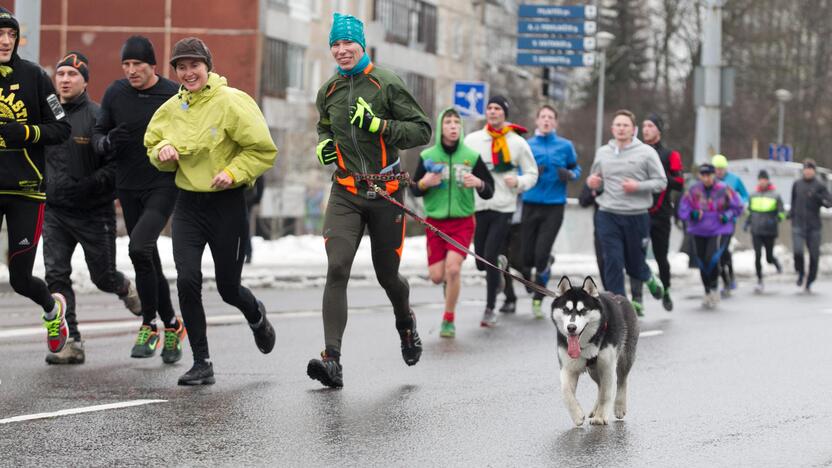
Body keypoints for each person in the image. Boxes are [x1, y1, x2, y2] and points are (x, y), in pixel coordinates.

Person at [307, 13, 431, 388]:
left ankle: (406, 324)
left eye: (348, 44)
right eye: (336, 45)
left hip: (386, 193)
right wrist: (325, 144)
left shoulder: (387, 83)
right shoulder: (328, 90)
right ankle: (332, 360)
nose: (342, 51)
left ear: (362, 45)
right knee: (338, 266)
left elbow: (421, 129)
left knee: (387, 276)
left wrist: (380, 126)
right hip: (346, 190)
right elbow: (324, 125)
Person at [146, 37, 278, 385]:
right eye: (182, 67)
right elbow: (153, 141)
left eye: (195, 66)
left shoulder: (232, 102)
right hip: (188, 203)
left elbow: (263, 149)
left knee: (228, 287)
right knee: (188, 281)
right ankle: (201, 361)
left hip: (227, 204)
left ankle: (256, 316)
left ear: (208, 67)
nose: (188, 73)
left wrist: (233, 172)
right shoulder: (171, 108)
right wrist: (162, 150)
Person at [42, 52, 143, 365]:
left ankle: (125, 288)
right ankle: (71, 341)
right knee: (56, 277)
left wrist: (89, 184)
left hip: (93, 212)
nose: (65, 80)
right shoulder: (45, 114)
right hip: (55, 212)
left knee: (103, 277)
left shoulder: (99, 117)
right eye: (61, 74)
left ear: (85, 81)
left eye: (73, 75)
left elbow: (116, 168)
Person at [93, 36, 184, 361]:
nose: (131, 70)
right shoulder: (116, 92)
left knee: (138, 248)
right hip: (128, 185)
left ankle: (149, 324)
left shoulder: (173, 94)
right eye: (126, 65)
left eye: (137, 65)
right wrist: (106, 142)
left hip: (162, 183)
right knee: (146, 257)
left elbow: (191, 130)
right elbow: (98, 134)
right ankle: (172, 325)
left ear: (152, 65)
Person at [0, 8, 71, 354]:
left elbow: (62, 128)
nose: (4, 40)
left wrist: (26, 132)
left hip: (25, 191)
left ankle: (52, 309)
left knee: (20, 279)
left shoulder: (34, 76)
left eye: (10, 34)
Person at [411, 108, 494, 338]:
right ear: (441, 127)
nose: (453, 126)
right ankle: (449, 285)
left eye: (457, 122)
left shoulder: (471, 157)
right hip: (435, 224)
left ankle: (448, 318)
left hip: (462, 221)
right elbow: (413, 189)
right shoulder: (428, 156)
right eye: (448, 122)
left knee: (454, 269)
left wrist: (478, 182)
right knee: (438, 276)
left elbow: (489, 190)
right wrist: (425, 183)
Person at [465, 95, 538, 327]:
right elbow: (460, 162)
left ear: (505, 114)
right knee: (480, 260)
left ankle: (489, 309)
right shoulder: (473, 140)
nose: (493, 112)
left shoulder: (517, 142)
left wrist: (518, 181)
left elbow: (532, 173)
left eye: (498, 108)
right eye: (490, 108)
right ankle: (499, 265)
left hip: (504, 206)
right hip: (479, 204)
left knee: (489, 256)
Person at [585, 110, 666, 304]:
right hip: (607, 213)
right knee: (612, 260)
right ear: (612, 129)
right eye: (618, 125)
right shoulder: (603, 152)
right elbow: (595, 179)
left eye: (625, 125)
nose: (621, 129)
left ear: (634, 130)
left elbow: (661, 182)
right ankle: (619, 307)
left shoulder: (646, 153)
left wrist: (637, 186)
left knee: (634, 265)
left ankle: (649, 277)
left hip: (636, 216)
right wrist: (592, 183)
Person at [521, 105, 579, 318]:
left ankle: (538, 298)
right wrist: (532, 173)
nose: (546, 120)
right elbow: (519, 170)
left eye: (550, 117)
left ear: (555, 122)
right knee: (525, 256)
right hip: (530, 202)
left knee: (541, 254)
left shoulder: (565, 146)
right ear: (537, 121)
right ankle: (528, 275)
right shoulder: (527, 145)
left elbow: (576, 169)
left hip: (554, 205)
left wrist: (570, 175)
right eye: (542, 117)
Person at [630, 113, 684, 313]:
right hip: (638, 211)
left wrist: (660, 175)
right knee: (636, 255)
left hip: (660, 214)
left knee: (661, 256)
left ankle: (666, 289)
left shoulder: (671, 155)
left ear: (659, 130)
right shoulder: (636, 152)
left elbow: (679, 183)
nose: (646, 129)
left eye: (650, 125)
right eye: (644, 125)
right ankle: (637, 299)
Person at [678, 163, 743, 308]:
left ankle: (714, 287)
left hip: (718, 229)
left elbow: (738, 207)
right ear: (700, 176)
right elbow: (683, 209)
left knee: (712, 258)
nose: (707, 178)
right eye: (704, 175)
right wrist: (692, 214)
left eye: (709, 175)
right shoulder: (693, 190)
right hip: (698, 230)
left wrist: (727, 215)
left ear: (714, 175)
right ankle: (707, 290)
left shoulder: (724, 189)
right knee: (701, 261)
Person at [789, 158, 832, 293]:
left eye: (810, 169)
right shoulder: (797, 184)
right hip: (798, 224)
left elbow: (829, 202)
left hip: (814, 226)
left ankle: (810, 279)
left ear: (814, 171)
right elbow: (793, 201)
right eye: (805, 169)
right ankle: (800, 272)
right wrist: (791, 215)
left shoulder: (819, 185)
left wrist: (818, 198)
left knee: (814, 255)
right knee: (797, 251)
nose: (807, 171)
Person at [711, 154, 748, 297]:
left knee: (722, 250)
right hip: (712, 223)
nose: (719, 171)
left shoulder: (734, 180)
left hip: (728, 222)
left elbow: (745, 196)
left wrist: (738, 202)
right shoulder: (710, 181)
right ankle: (728, 277)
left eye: (722, 169)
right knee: (718, 252)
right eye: (717, 169)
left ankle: (729, 278)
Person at [744, 169, 784, 293]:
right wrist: (747, 223)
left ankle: (775, 262)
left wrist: (776, 219)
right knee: (757, 255)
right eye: (760, 179)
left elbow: (782, 212)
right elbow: (749, 212)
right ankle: (759, 279)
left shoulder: (775, 195)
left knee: (768, 257)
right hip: (756, 230)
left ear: (768, 180)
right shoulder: (753, 195)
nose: (762, 182)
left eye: (764, 179)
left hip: (769, 231)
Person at [243, 176, 265, 264]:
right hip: (248, 198)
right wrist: (257, 199)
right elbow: (261, 183)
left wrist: (257, 199)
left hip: (245, 199)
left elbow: (260, 182)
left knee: (242, 227)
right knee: (244, 226)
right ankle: (248, 253)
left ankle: (247, 253)